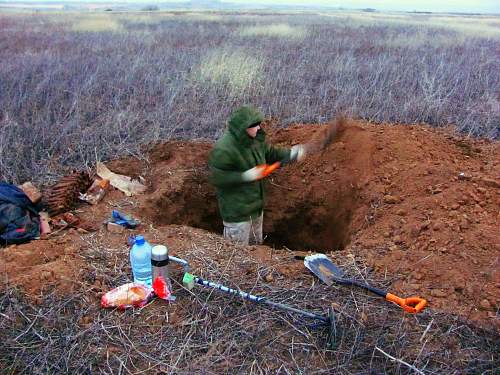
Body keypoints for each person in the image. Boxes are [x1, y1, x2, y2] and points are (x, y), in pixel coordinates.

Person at [208, 105, 306, 245]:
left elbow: (272, 153)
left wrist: (291, 154)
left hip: (256, 211)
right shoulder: (224, 149)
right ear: (244, 127)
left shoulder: (255, 140)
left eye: (259, 124)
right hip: (238, 216)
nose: (259, 128)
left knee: (256, 252)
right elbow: (217, 178)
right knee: (237, 256)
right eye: (255, 125)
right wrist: (245, 176)